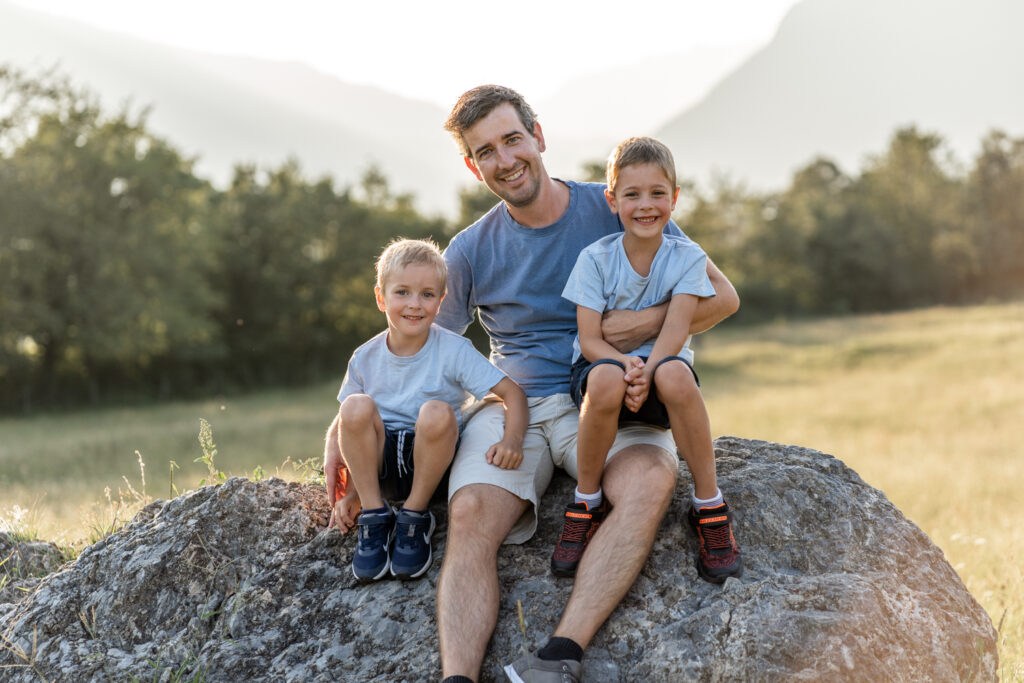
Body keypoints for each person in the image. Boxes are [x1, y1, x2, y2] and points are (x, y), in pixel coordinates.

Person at [432, 85, 740, 683]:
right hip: (513, 406)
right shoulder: (469, 249)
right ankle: (457, 678)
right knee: (469, 512)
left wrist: (635, 328)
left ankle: (559, 655)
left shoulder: (617, 203)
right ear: (473, 165)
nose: (506, 159)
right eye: (486, 151)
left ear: (538, 137)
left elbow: (719, 296)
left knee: (652, 479)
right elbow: (424, 347)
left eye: (513, 139)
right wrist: (349, 419)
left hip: (605, 395)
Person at [553, 136, 741, 584]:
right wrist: (625, 367)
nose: (646, 205)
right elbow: (589, 338)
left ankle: (709, 505)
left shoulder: (686, 257)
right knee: (605, 382)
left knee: (678, 376)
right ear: (612, 200)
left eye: (658, 193)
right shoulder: (595, 259)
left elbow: (676, 330)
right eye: (632, 194)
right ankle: (586, 501)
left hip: (661, 364)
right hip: (603, 368)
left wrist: (650, 370)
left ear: (674, 198)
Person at [324, 238, 528, 582]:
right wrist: (350, 490)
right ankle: (375, 517)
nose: (414, 305)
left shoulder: (454, 349)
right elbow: (347, 421)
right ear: (380, 297)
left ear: (441, 300)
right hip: (382, 471)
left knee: (436, 411)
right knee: (358, 406)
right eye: (402, 292)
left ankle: (414, 518)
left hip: (431, 468)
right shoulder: (365, 356)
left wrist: (512, 440)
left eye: (427, 294)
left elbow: (513, 394)